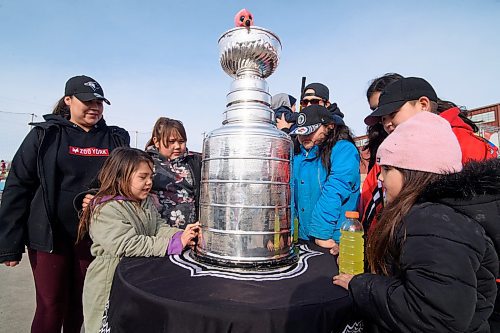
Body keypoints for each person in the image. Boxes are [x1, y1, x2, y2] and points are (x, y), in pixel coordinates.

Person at [333, 111, 500, 332]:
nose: (380, 178)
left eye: (388, 169)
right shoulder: (430, 215)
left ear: (414, 172)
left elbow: (431, 315)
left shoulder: (435, 224)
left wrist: (360, 285)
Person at [0, 75, 129, 333]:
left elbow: (124, 181)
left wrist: (98, 196)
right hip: (50, 237)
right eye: (87, 101)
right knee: (50, 305)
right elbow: (18, 186)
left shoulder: (115, 139)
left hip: (94, 238)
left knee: (82, 303)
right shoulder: (44, 135)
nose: (94, 107)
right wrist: (8, 244)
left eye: (99, 102)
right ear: (69, 100)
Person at [78, 147, 199, 332]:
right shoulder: (106, 208)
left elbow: (158, 227)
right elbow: (127, 243)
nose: (149, 183)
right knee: (103, 325)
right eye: (142, 177)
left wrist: (182, 236)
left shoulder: (144, 201)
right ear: (120, 177)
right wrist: (173, 244)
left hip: (135, 276)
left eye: (151, 177)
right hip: (109, 281)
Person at [364, 76, 498, 161]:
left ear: (423, 105)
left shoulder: (459, 141)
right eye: (382, 118)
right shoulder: (392, 146)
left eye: (393, 113)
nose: (387, 123)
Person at [290, 105, 360, 253]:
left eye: (311, 131)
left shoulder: (343, 150)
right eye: (300, 133)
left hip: (332, 239)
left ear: (329, 126)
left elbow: (335, 190)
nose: (304, 137)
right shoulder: (297, 157)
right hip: (303, 239)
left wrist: (321, 233)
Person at [359, 73, 403, 233]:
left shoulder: (447, 141)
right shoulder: (379, 143)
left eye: (391, 109)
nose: (383, 118)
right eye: (375, 110)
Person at [145, 117, 202, 228]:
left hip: (190, 233)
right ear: (156, 142)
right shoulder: (146, 163)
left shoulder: (194, 162)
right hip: (160, 234)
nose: (177, 146)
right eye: (171, 141)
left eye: (181, 141)